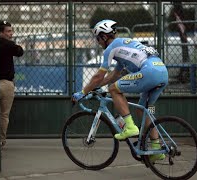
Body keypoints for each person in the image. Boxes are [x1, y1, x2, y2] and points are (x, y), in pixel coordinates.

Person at [72, 19, 168, 162]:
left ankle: (130, 127)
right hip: (162, 73)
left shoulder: (110, 49)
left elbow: (99, 75)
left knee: (114, 89)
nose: (98, 42)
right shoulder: (123, 45)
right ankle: (156, 148)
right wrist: (96, 87)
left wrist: (83, 92)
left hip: (149, 72)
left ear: (104, 37)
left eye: (98, 38)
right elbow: (114, 75)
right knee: (144, 110)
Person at [0, 20, 24, 149]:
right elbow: (20, 52)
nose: (11, 34)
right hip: (6, 83)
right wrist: (15, 45)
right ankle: (0, 141)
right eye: (8, 31)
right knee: (4, 115)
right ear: (0, 32)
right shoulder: (8, 44)